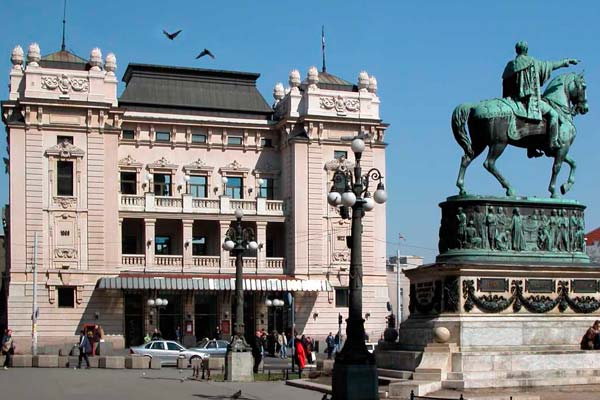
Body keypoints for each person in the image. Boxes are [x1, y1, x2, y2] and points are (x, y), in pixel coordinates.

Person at [502, 41, 578, 150]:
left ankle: (531, 150)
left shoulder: (510, 65)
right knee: (553, 114)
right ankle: (553, 142)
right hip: (530, 100)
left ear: (516, 50)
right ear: (526, 50)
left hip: (514, 100)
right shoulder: (532, 62)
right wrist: (565, 62)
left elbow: (505, 83)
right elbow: (550, 66)